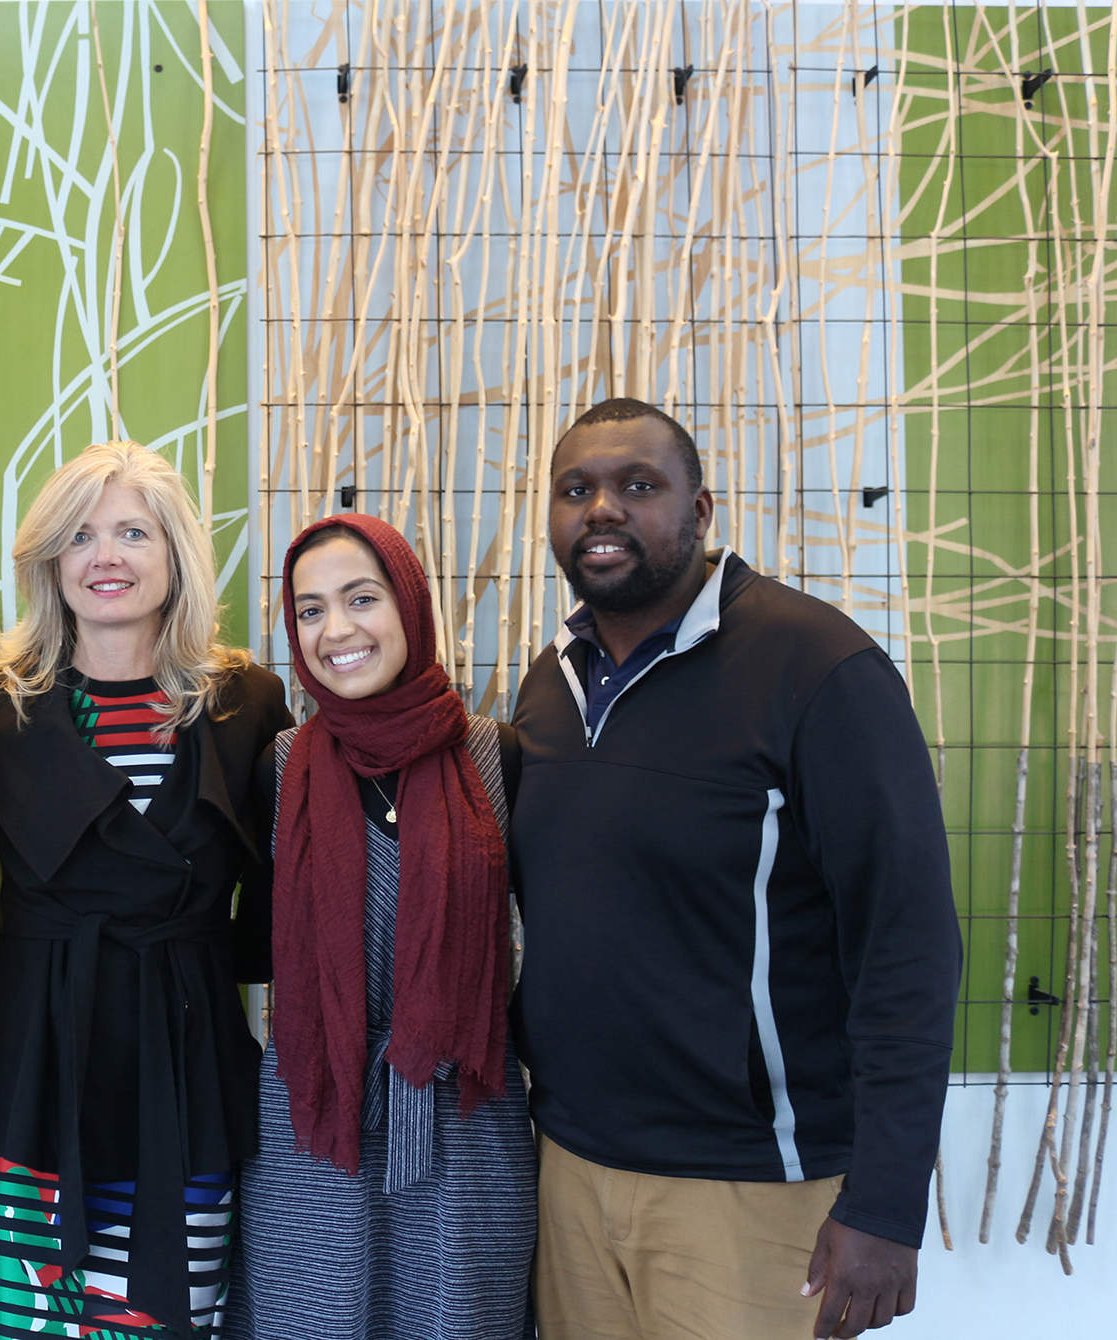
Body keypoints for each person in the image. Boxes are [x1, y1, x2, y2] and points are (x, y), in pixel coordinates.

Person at [511, 398, 962, 1340]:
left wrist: (885, 1203)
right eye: (576, 489)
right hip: (571, 1170)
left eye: (639, 486)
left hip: (750, 1188)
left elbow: (907, 945)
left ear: (702, 511)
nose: (603, 509)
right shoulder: (549, 681)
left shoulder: (816, 664)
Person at [0, 441, 292, 1339]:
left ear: (175, 553)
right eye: (81, 537)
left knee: (174, 1312)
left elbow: (278, 891)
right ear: (50, 563)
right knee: (34, 1317)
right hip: (38, 1061)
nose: (106, 557)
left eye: (132, 533)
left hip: (186, 1057)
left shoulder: (244, 699)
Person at [226, 513, 534, 1339]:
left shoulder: (495, 757)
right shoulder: (281, 767)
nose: (338, 630)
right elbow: (250, 944)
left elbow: (559, 944)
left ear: (410, 603)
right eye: (311, 610)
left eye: (361, 598)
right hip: (313, 1120)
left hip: (465, 1120)